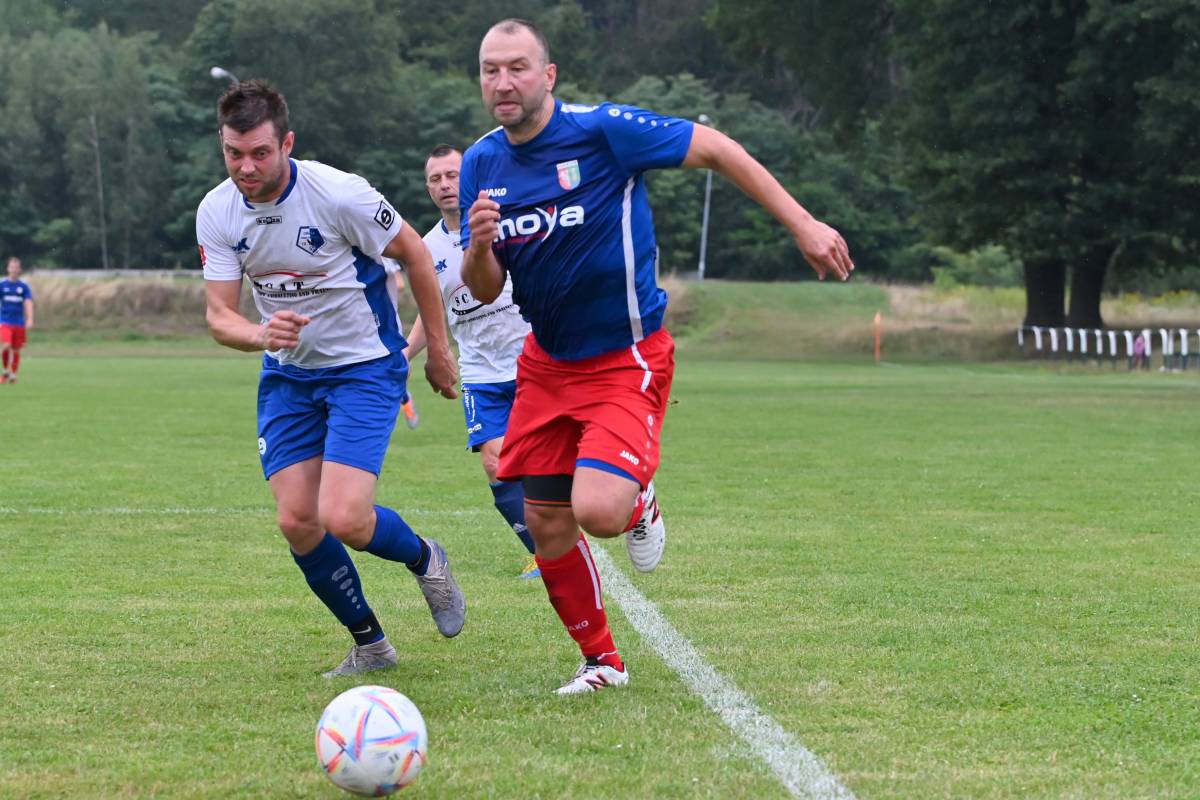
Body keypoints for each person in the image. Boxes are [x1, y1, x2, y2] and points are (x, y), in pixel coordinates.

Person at [460, 19, 854, 694]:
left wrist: (803, 223)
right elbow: (487, 287)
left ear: (548, 75)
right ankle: (602, 662)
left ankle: (637, 497)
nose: (503, 82)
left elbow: (718, 149)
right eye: (491, 69)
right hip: (546, 364)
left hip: (625, 357)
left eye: (517, 67)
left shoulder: (602, 131)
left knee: (599, 512)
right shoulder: (481, 163)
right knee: (544, 518)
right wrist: (476, 247)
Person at [195, 80, 465, 677]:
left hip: (364, 369)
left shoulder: (340, 194)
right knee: (297, 520)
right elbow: (219, 316)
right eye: (234, 153)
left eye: (260, 153)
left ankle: (425, 559)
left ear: (287, 143)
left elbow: (417, 255)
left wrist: (437, 349)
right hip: (290, 377)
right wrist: (261, 334)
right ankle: (371, 644)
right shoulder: (216, 210)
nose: (246, 167)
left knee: (344, 517)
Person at [401, 144, 539, 579]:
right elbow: (432, 311)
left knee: (552, 460)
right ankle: (545, 554)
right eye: (435, 178)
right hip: (480, 371)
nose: (445, 185)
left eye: (452, 175)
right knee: (495, 463)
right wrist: (405, 355)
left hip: (534, 361)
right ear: (428, 188)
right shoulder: (425, 249)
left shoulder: (506, 223)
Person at [1, 257, 34, 385]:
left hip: (19, 322)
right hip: (5, 321)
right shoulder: (2, 285)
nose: (14, 270)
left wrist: (30, 318)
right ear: (8, 269)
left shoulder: (23, 286)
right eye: (12, 267)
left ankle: (13, 375)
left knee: (16, 349)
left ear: (19, 270)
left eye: (16, 267)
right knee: (6, 345)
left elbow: (28, 302)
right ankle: (5, 372)